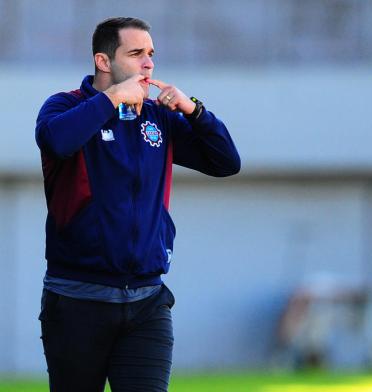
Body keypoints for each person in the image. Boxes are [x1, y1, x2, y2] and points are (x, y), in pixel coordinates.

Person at [35, 16, 240, 392]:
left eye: (151, 54)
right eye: (135, 54)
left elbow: (226, 162)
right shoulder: (64, 106)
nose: (148, 64)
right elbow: (57, 142)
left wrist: (194, 109)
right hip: (76, 300)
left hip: (147, 302)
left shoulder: (159, 117)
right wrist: (111, 99)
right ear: (103, 60)